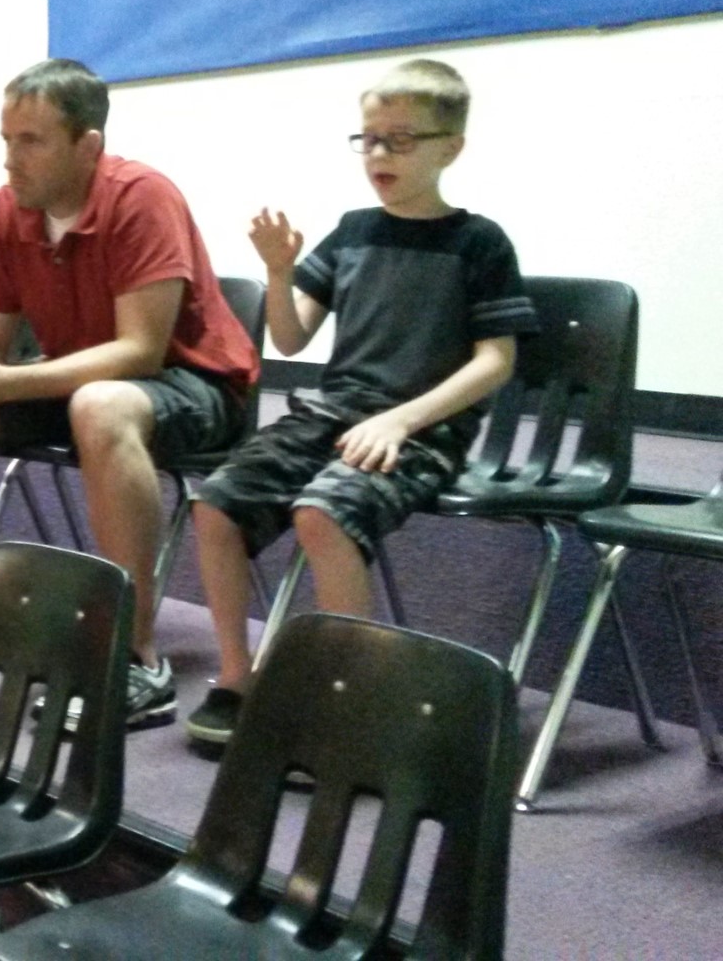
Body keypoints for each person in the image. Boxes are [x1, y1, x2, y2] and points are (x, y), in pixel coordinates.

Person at [0, 59, 258, 727]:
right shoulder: (5, 210)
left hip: (194, 385)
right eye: (6, 139)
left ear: (88, 145)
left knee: (100, 405)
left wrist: (7, 380)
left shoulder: (142, 197)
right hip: (76, 377)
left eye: (31, 141)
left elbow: (139, 350)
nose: (10, 159)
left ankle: (136, 659)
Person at [183, 60, 538, 747]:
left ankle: (353, 699)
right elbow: (290, 336)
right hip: (337, 412)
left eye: (400, 140)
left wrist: (402, 419)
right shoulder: (352, 231)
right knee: (217, 503)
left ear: (450, 148)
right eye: (369, 139)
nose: (379, 154)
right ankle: (236, 676)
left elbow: (497, 361)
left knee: (324, 513)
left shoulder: (479, 242)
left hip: (422, 427)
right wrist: (279, 273)